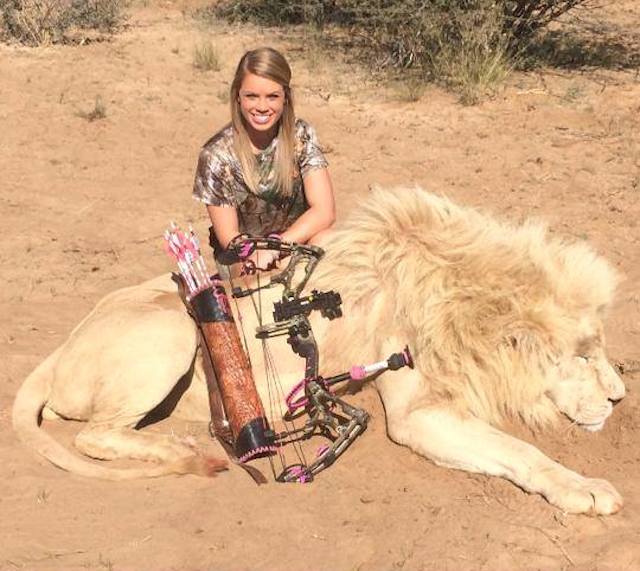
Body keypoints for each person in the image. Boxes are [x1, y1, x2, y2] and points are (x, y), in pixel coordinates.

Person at [192, 47, 335, 275]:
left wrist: (277, 247)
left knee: (330, 241)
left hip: (294, 241)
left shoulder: (300, 136)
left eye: (272, 96)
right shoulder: (216, 155)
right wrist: (260, 254)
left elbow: (324, 211)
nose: (261, 107)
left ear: (286, 98)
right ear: (237, 96)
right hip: (245, 256)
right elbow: (230, 238)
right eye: (252, 96)